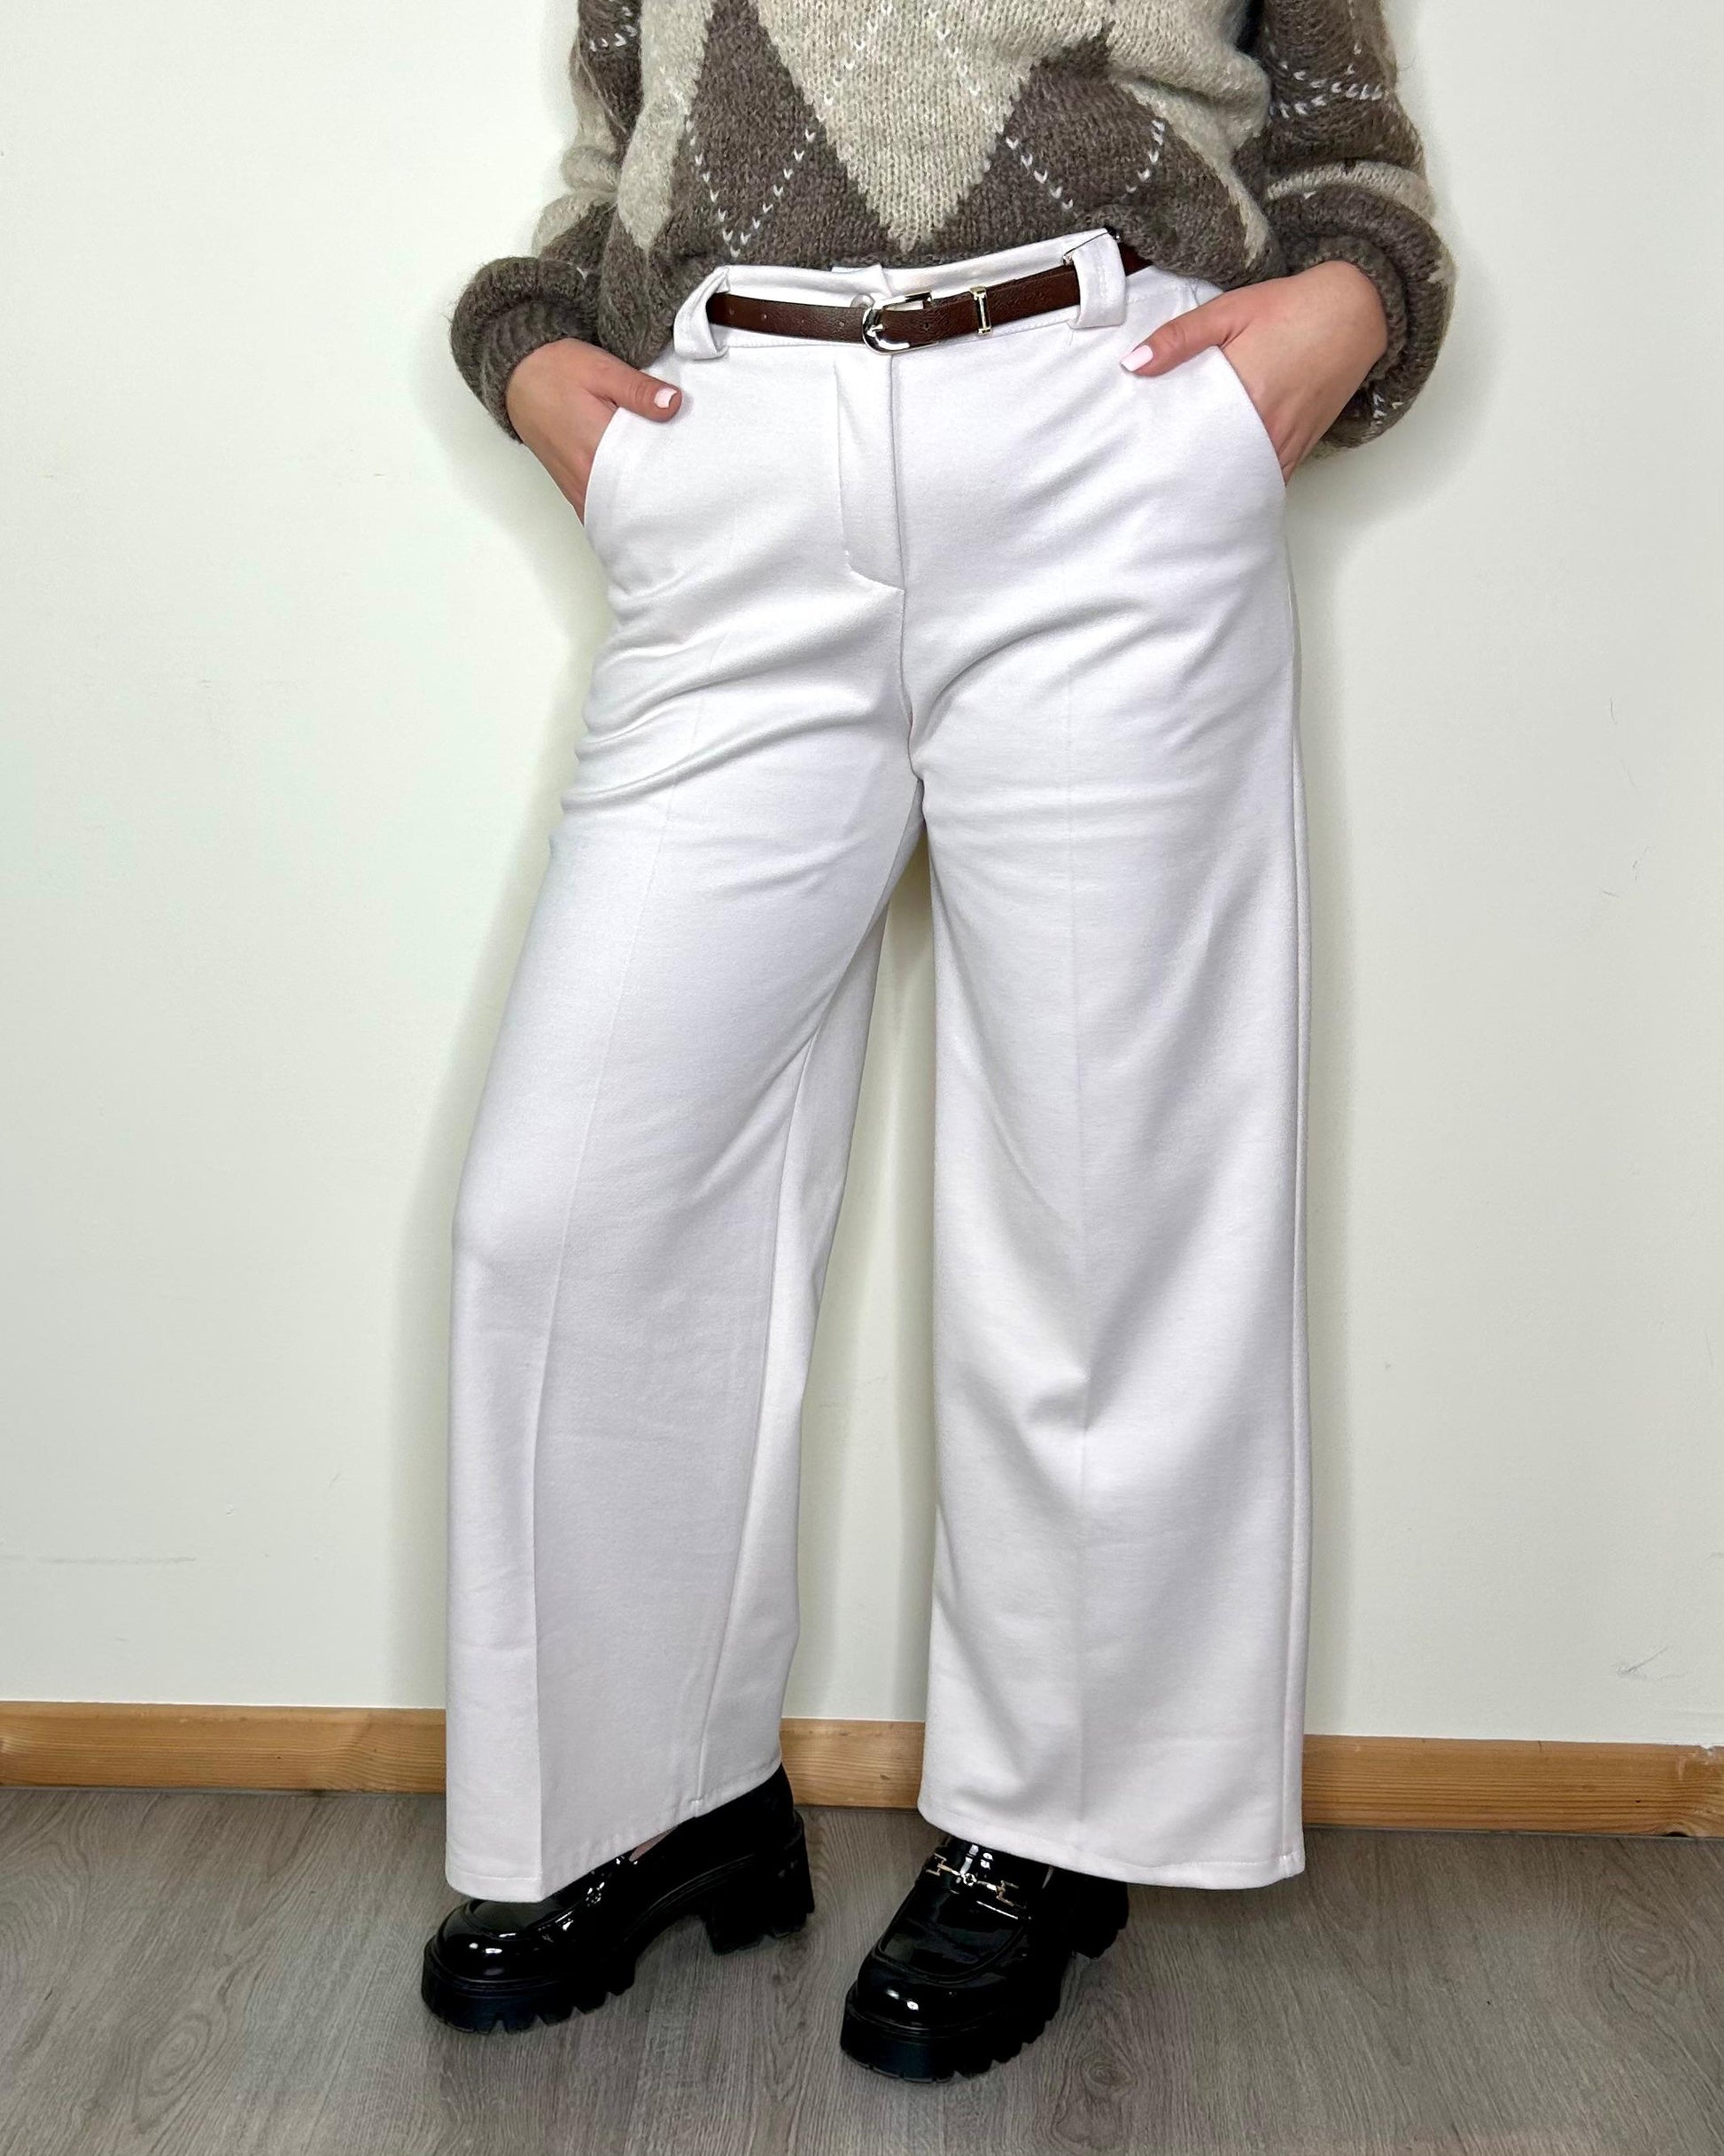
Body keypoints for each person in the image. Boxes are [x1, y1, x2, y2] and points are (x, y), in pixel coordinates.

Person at [420, 0, 1450, 2082]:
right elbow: (631, 132)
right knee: (575, 1195)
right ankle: (651, 1796)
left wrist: (1345, 305)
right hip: (735, 464)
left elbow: (1348, 134)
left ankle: (1049, 1824)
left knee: (1103, 1187)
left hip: (1104, 436)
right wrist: (528, 347)